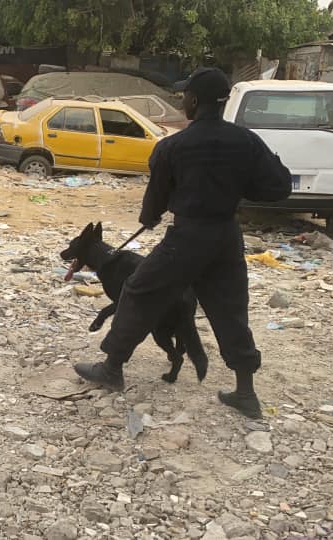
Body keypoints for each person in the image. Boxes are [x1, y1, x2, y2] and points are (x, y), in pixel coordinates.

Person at [72, 67, 292, 419]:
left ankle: (112, 368)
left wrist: (151, 217)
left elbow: (153, 204)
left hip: (188, 237)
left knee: (138, 290)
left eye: (183, 97)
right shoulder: (246, 141)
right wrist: (236, 188)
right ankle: (246, 393)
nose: (182, 102)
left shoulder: (172, 146)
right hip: (225, 237)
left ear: (192, 100)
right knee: (230, 309)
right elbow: (278, 187)